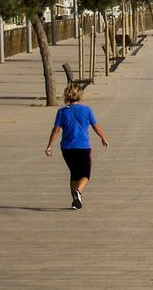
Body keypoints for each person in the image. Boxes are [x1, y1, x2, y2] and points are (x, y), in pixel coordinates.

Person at [45, 82, 108, 210]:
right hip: (83, 147)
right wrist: (103, 138)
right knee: (85, 173)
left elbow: (55, 130)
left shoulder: (62, 111)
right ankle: (78, 192)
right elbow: (96, 126)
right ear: (80, 95)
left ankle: (75, 201)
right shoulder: (87, 110)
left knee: (74, 173)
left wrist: (50, 146)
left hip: (67, 148)